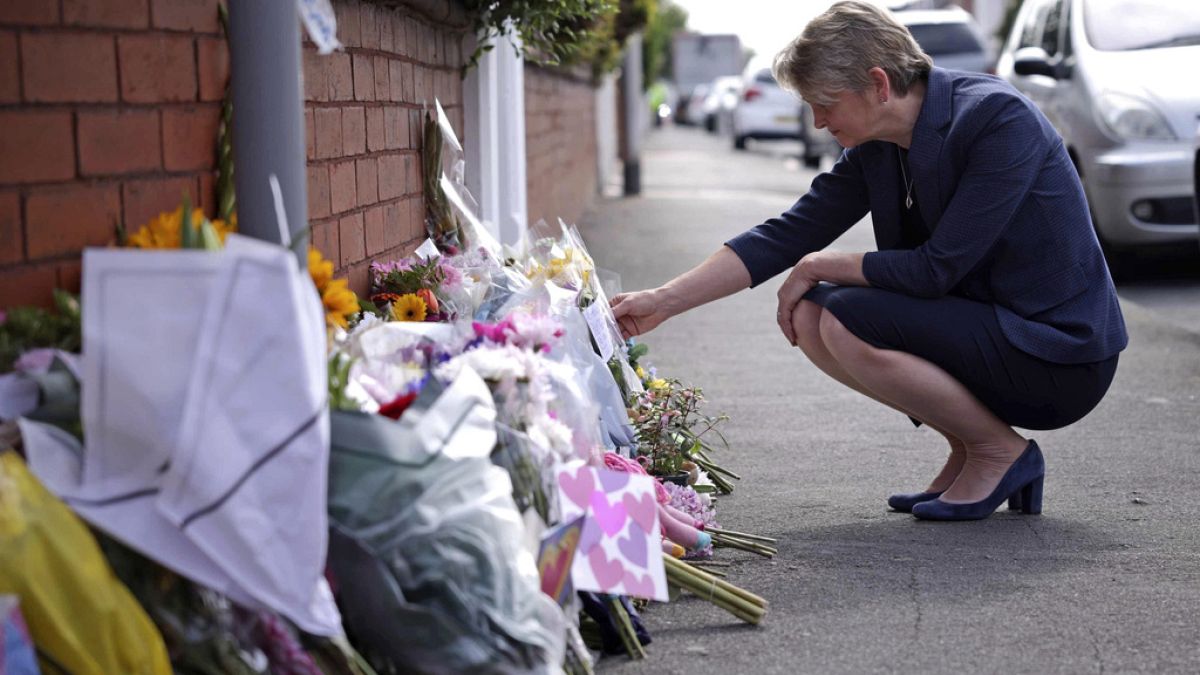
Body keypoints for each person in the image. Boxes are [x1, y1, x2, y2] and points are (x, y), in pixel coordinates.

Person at [609, 0, 1127, 521]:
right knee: (813, 314)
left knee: (841, 315)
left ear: (879, 84)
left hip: (1057, 352)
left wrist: (819, 264)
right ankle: (972, 447)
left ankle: (1000, 453)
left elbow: (936, 269)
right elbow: (786, 233)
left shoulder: (996, 119)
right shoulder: (879, 146)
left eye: (826, 102)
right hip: (989, 329)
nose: (817, 120)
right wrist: (664, 301)